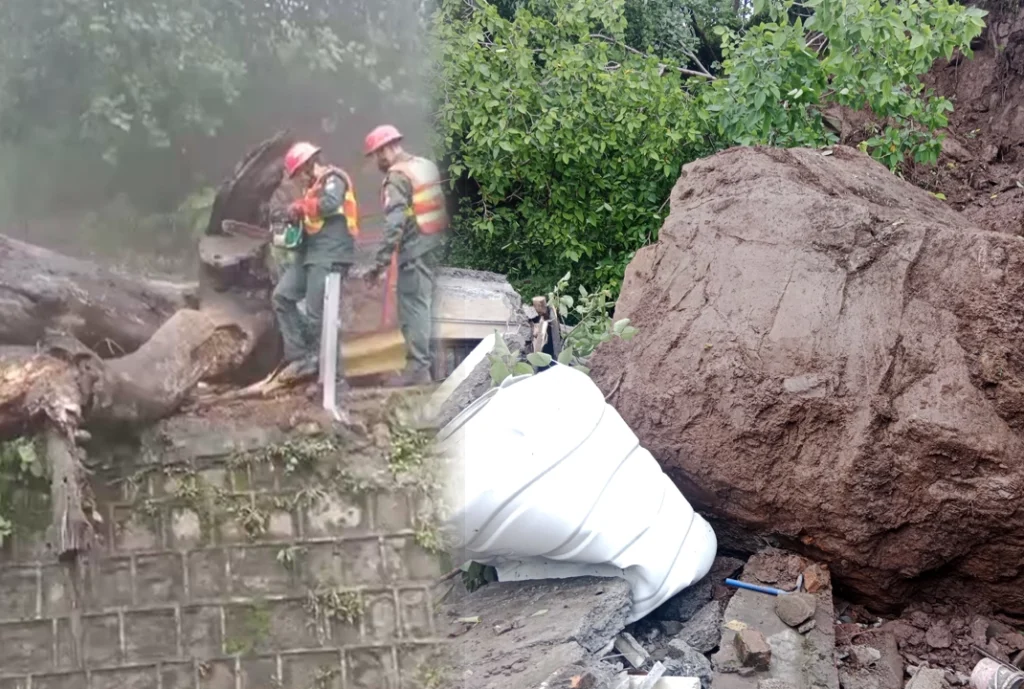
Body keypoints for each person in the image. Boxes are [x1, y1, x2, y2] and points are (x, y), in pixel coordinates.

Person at [363, 125, 448, 386]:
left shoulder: (397, 177)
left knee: (413, 309)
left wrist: (378, 263)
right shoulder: (424, 165)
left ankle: (417, 368)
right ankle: (432, 367)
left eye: (378, 154)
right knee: (428, 307)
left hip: (416, 249)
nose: (378, 160)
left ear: (387, 148)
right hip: (436, 245)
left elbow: (394, 223)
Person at [272, 141, 360, 382]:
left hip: (331, 253)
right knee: (282, 296)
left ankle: (333, 375)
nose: (298, 179)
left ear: (309, 164)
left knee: (319, 314)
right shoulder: (310, 190)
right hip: (310, 254)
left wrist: (300, 207)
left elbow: (330, 205)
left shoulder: (334, 178)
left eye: (298, 173)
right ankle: (300, 355)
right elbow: (310, 222)